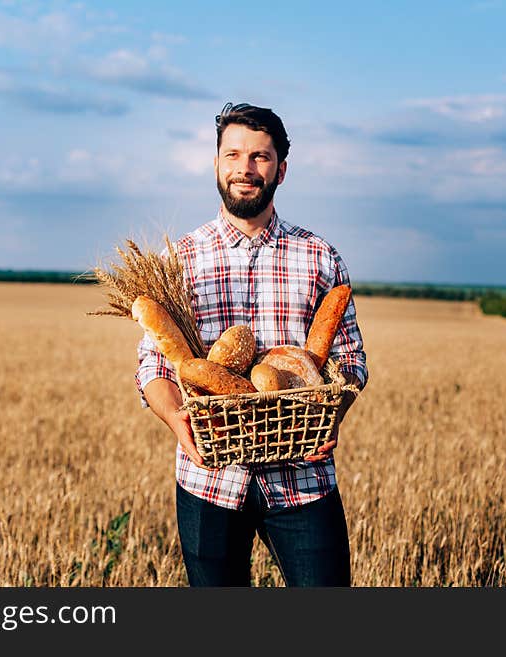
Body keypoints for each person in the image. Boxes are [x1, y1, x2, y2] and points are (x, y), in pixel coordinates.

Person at [135, 102, 368, 587]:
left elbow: (350, 360)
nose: (245, 168)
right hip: (210, 480)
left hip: (303, 474)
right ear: (216, 164)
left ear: (281, 170)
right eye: (233, 154)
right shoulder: (180, 259)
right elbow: (153, 364)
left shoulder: (320, 256)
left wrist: (333, 410)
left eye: (260, 157)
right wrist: (177, 419)